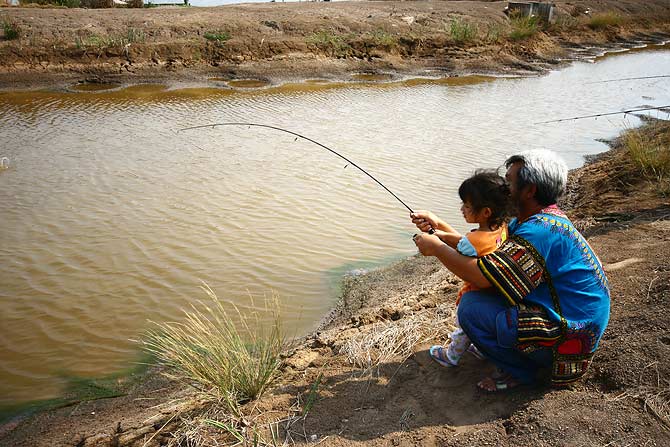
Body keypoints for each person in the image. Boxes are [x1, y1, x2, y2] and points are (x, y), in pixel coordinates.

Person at [411, 150, 610, 392]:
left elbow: (482, 276)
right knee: (484, 300)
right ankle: (511, 352)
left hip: (569, 334)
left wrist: (438, 249)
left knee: (471, 308)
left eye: (509, 182)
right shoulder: (536, 220)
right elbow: (477, 247)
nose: (504, 188)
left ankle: (523, 372)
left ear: (530, 190)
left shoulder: (539, 232)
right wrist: (438, 226)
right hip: (569, 317)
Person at [425, 170, 511, 368]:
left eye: (467, 205)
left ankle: (451, 356)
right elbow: (463, 242)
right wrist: (438, 230)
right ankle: (481, 349)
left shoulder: (473, 241)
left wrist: (433, 241)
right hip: (495, 292)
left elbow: (459, 247)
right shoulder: (501, 228)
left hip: (475, 293)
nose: (462, 209)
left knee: (463, 327)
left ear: (486, 212)